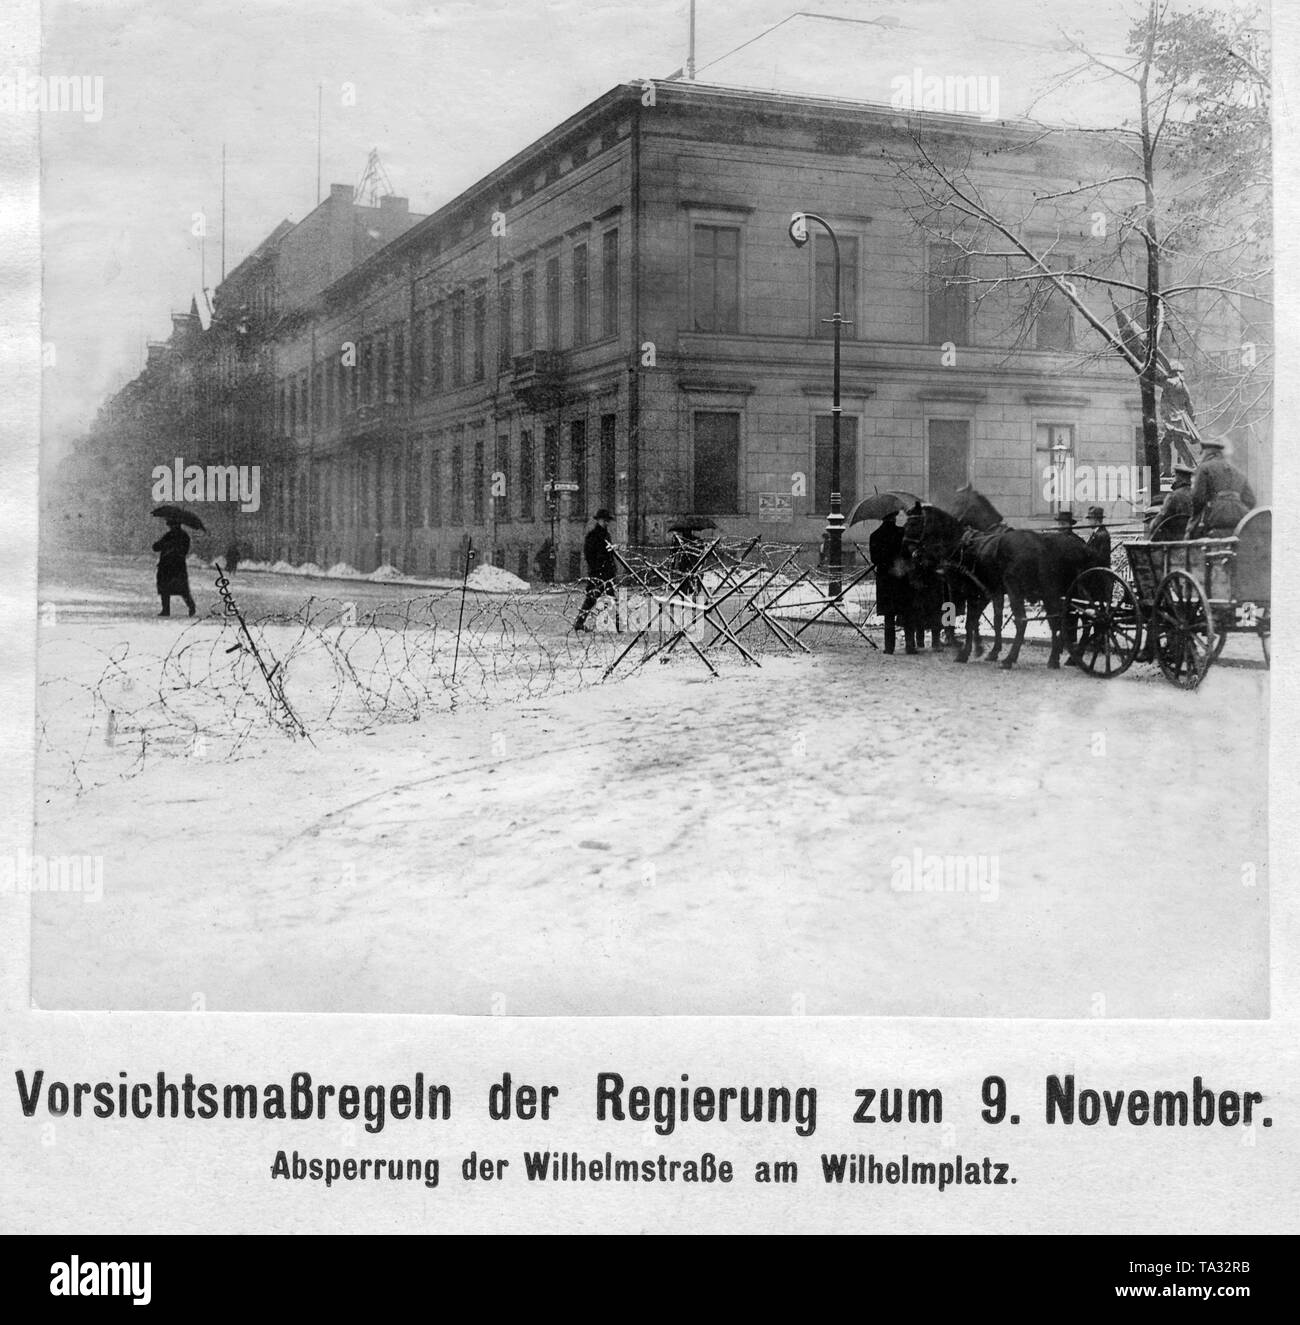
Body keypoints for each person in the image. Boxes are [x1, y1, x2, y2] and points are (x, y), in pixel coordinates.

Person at [868, 510, 916, 655]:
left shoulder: (875, 536)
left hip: (885, 581)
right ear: (894, 517)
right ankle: (910, 646)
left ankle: (890, 648)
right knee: (908, 614)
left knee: (889, 616)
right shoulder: (902, 534)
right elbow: (908, 555)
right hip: (902, 579)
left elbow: (874, 560)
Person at [1188, 437, 1256, 538]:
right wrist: (1236, 507)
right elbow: (1251, 500)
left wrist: (1193, 523)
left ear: (1207, 452)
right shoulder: (1237, 472)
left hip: (1216, 518)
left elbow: (1198, 498)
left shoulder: (1205, 468)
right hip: (1240, 518)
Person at [573, 509, 617, 631]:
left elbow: (609, 555)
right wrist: (597, 567)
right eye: (605, 520)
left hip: (606, 572)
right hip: (598, 572)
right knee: (592, 598)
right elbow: (589, 555)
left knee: (609, 598)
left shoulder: (606, 535)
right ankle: (580, 622)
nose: (607, 523)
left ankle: (616, 623)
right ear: (599, 520)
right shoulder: (593, 536)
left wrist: (611, 567)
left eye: (608, 521)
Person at [1159, 361, 1198, 477]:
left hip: (1174, 420)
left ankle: (1188, 467)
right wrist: (1192, 420)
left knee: (1170, 443)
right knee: (1174, 443)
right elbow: (1189, 404)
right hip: (1180, 418)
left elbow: (1158, 380)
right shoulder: (1183, 385)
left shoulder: (1170, 383)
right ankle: (1190, 467)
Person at [153, 519, 196, 617]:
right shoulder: (172, 536)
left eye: (172, 524)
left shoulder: (181, 536)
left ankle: (189, 607)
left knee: (179, 588)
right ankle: (167, 609)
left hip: (174, 566)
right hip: (171, 566)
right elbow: (156, 547)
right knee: (170, 588)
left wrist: (170, 548)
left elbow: (183, 551)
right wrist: (165, 545)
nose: (171, 527)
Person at [1150, 462, 1194, 541]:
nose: (1172, 480)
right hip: (1192, 535)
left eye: (1173, 476)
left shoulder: (1173, 497)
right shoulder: (1197, 495)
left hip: (1174, 539)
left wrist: (1152, 525)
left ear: (1179, 478)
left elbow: (1160, 519)